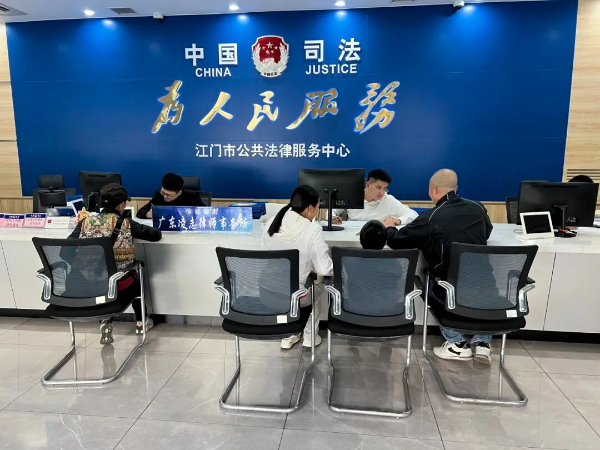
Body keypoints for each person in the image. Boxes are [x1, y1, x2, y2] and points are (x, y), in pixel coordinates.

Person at [384, 169, 494, 364]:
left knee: (425, 281)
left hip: (448, 287)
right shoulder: (478, 208)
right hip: (486, 286)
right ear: (455, 188)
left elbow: (397, 241)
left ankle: (457, 343)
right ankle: (482, 342)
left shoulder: (431, 217)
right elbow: (487, 232)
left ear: (434, 189)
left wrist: (389, 227)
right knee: (479, 284)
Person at [69, 183, 162, 335]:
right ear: (120, 205)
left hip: (87, 282)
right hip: (119, 282)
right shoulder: (126, 223)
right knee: (135, 276)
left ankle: (105, 319)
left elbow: (67, 250)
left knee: (106, 279)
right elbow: (155, 235)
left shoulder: (84, 223)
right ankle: (141, 322)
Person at [262, 185, 333, 349]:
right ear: (310, 208)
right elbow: (324, 268)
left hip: (266, 293)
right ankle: (309, 338)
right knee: (316, 288)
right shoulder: (312, 229)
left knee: (300, 285)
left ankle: (289, 335)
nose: (317, 212)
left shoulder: (271, 223)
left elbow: (266, 256)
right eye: (318, 207)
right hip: (295, 298)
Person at [331, 169, 418, 226]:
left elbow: (413, 214)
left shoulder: (388, 200)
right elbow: (332, 209)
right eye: (378, 188)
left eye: (385, 189)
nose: (382, 193)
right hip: (350, 236)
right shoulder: (352, 195)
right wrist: (332, 217)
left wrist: (399, 220)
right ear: (368, 185)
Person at [137, 173, 205, 219]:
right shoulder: (159, 194)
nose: (165, 197)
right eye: (163, 192)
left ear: (179, 193)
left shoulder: (191, 196)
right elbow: (140, 211)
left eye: (169, 195)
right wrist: (148, 214)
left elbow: (206, 212)